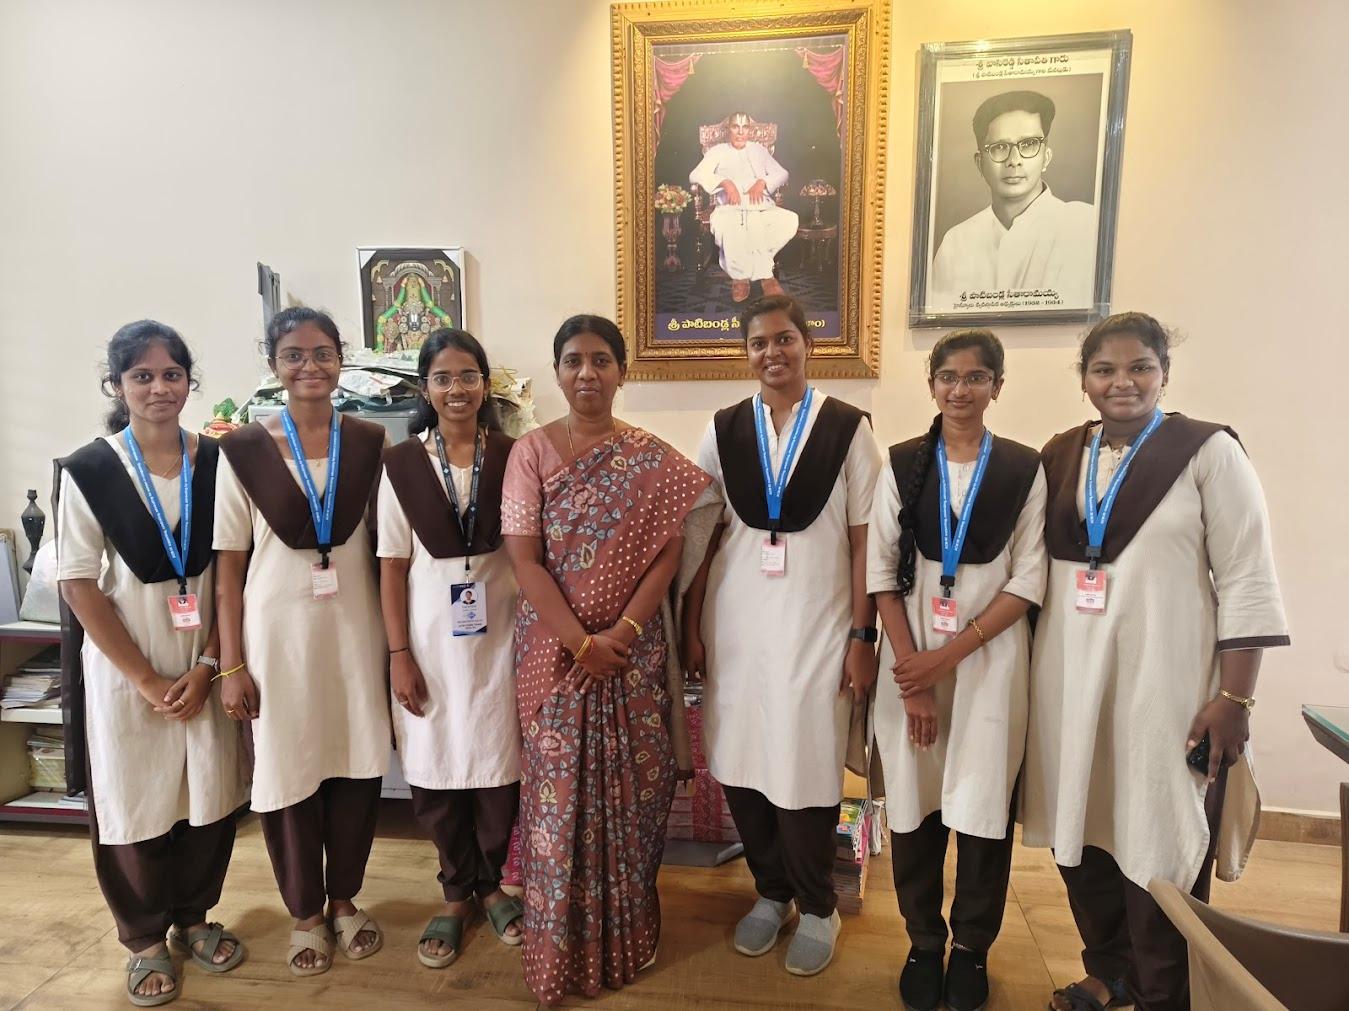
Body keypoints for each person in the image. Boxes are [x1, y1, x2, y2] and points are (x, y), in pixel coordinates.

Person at [1022, 312, 1289, 1011]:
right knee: (1082, 825)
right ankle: (1108, 972)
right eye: (1104, 369)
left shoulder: (1207, 451)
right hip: (1069, 684)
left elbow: (1247, 577)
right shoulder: (1059, 454)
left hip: (1165, 686)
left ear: (1163, 373)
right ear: (1083, 379)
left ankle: (1164, 992)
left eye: (1139, 366)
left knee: (1159, 832)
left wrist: (1236, 699)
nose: (1122, 382)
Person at [502, 314, 709, 1005]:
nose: (586, 373)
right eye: (573, 360)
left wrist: (621, 630)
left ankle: (629, 937)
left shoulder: (653, 459)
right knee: (556, 805)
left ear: (623, 371)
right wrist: (581, 643)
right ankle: (558, 954)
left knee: (636, 794)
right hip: (553, 657)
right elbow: (524, 560)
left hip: (632, 655)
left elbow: (669, 555)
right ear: (557, 372)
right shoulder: (530, 452)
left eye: (600, 360)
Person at [683, 293, 881, 977]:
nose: (773, 352)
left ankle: (818, 905)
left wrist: (862, 635)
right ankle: (770, 892)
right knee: (739, 762)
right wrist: (691, 626)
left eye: (785, 338)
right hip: (736, 625)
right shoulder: (722, 429)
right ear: (746, 353)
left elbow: (866, 540)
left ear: (807, 345)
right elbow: (703, 538)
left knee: (805, 764)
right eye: (759, 342)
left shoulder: (848, 428)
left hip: (818, 625)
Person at [56, 321, 249, 1007]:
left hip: (203, 658)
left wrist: (211, 663)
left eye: (172, 374)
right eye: (142, 375)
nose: (159, 387)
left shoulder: (217, 462)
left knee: (207, 793)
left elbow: (233, 571)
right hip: (128, 666)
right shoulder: (90, 471)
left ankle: (194, 918)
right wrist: (145, 678)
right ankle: (143, 938)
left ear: (190, 381)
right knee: (135, 799)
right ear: (117, 385)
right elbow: (78, 582)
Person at [867, 329, 1047, 1011]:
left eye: (975, 377)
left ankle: (971, 947)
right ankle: (922, 941)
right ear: (931, 383)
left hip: (991, 666)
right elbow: (880, 576)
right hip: (908, 661)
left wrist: (944, 657)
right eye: (947, 376)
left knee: (981, 813)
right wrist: (914, 680)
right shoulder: (900, 463)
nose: (960, 389)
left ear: (997, 385)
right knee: (913, 810)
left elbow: (1028, 579)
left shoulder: (1022, 468)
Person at [213, 307, 390, 977]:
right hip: (276, 636)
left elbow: (386, 546)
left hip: (354, 628)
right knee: (288, 768)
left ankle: (344, 898)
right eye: (293, 355)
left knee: (355, 761)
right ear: (273, 364)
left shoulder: (369, 441)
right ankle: (305, 912)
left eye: (322, 353)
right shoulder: (243, 450)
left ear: (342, 360)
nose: (309, 366)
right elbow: (229, 568)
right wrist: (231, 663)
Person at [377, 328, 524, 967]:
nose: (456, 388)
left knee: (497, 765)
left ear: (486, 385)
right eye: (442, 377)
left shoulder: (515, 456)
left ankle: (491, 884)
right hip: (429, 642)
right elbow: (390, 567)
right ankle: (455, 892)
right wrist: (398, 655)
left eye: (468, 375)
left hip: (503, 639)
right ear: (425, 388)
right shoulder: (402, 465)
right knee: (436, 767)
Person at [930, 90, 1096, 307]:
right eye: (999, 148)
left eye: (1029, 144)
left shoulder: (1084, 225)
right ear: (980, 163)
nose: (1014, 160)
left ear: (1046, 157)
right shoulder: (956, 243)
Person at [689, 111, 799, 303]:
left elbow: (782, 173)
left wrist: (763, 182)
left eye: (745, 127)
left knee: (789, 220)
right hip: (730, 207)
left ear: (749, 130)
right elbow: (695, 175)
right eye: (735, 127)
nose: (740, 132)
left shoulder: (758, 150)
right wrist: (725, 182)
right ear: (728, 129)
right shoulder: (718, 151)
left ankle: (745, 276)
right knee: (734, 227)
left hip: (760, 205)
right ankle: (762, 279)